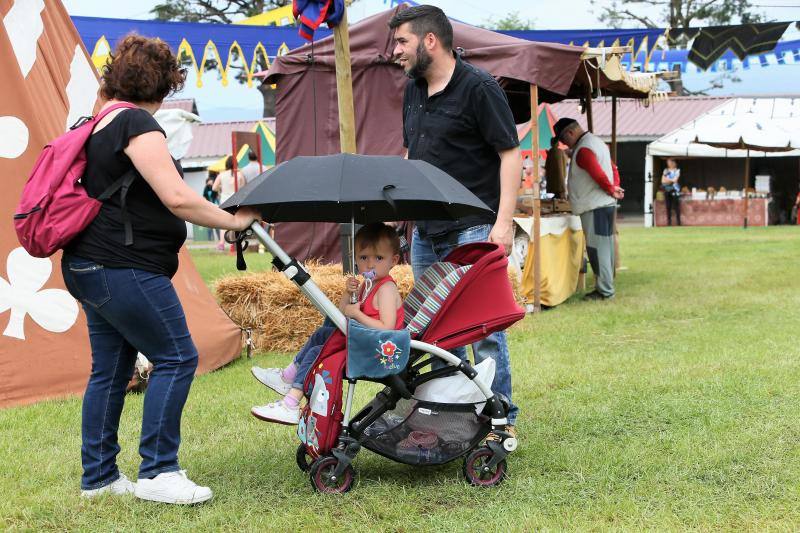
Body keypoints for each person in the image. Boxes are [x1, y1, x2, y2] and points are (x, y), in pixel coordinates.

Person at [60, 34, 259, 503]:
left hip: (89, 265)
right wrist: (234, 220)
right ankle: (158, 471)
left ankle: (100, 478)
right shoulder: (135, 124)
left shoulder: (94, 122)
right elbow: (176, 196)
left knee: (109, 372)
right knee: (177, 357)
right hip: (123, 267)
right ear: (165, 83)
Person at [389, 5, 522, 435]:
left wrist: (503, 224)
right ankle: (457, 417)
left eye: (402, 41)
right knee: (436, 331)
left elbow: (509, 152)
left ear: (430, 41)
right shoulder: (411, 90)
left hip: (473, 226)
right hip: (426, 230)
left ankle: (500, 420)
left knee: (482, 329)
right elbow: (413, 154)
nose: (396, 51)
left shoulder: (479, 87)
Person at [250, 223, 405, 425]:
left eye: (378, 258)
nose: (370, 265)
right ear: (355, 258)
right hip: (367, 343)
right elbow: (343, 312)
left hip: (380, 353)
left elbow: (387, 329)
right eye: (363, 258)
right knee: (325, 331)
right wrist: (348, 294)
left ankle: (290, 404)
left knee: (318, 353)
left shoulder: (386, 290)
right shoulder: (369, 285)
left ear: (394, 260)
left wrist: (356, 314)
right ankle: (288, 376)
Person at [552, 117, 624, 301]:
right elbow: (613, 168)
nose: (563, 144)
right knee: (605, 247)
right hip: (604, 203)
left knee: (596, 248)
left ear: (570, 133)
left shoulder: (584, 149)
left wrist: (610, 188)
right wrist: (614, 187)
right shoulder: (596, 142)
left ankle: (605, 290)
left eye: (562, 139)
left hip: (594, 205)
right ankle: (606, 286)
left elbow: (597, 173)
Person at [212, 156, 245, 250]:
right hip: (236, 201)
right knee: (235, 222)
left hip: (224, 201)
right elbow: (242, 188)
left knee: (223, 222)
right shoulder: (239, 174)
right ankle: (233, 244)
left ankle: (221, 243)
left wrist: (221, 189)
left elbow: (214, 188)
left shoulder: (221, 175)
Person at [661, 158, 682, 226]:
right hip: (667, 190)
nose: (668, 163)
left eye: (669, 162)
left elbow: (675, 180)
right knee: (668, 206)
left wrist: (667, 180)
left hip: (675, 189)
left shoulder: (677, 170)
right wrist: (671, 180)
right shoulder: (665, 170)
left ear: (674, 163)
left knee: (676, 207)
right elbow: (663, 181)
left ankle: (678, 222)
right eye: (668, 162)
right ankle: (669, 222)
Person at [202, 174, 220, 242]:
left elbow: (217, 197)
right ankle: (210, 239)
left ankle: (219, 238)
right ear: (207, 182)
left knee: (217, 225)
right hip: (208, 208)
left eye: (212, 181)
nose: (212, 182)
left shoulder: (214, 188)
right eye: (210, 181)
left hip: (215, 208)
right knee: (209, 225)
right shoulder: (205, 189)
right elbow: (204, 197)